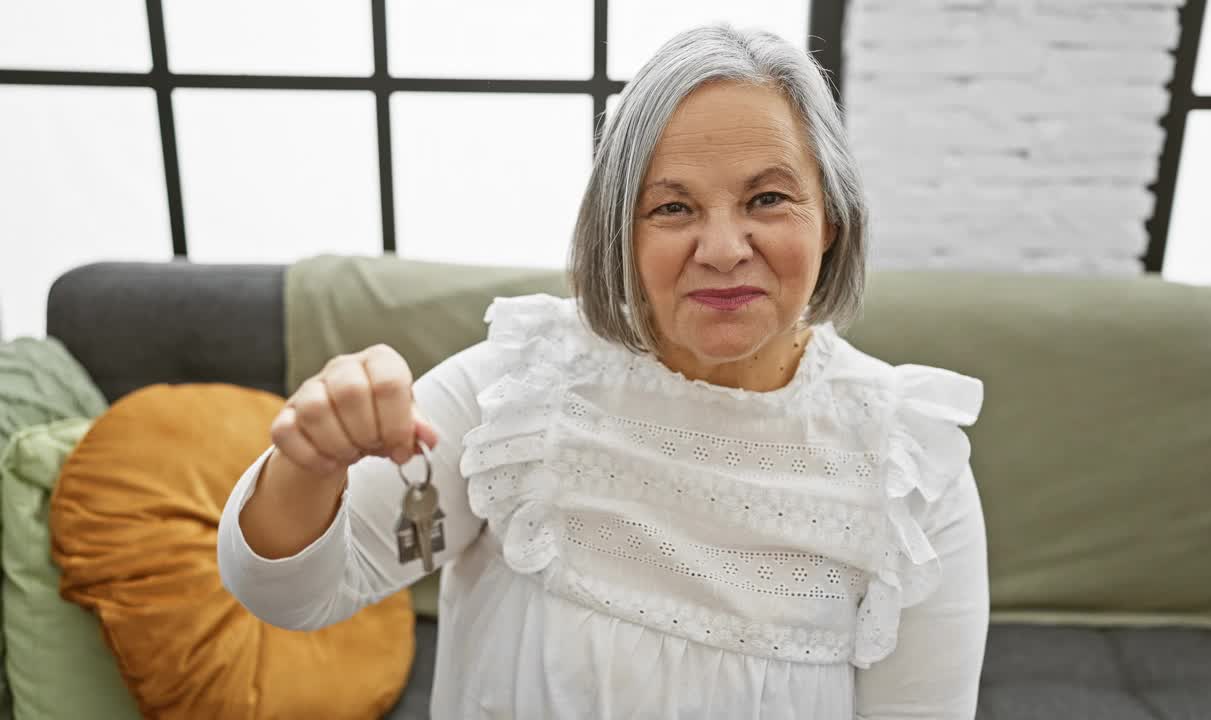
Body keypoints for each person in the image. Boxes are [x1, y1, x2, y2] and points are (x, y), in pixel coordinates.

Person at [218, 23, 988, 720]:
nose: (722, 247)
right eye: (672, 209)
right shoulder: (518, 386)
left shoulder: (907, 464)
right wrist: (310, 463)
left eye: (767, 197)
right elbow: (295, 594)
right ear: (618, 233)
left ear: (833, 220)